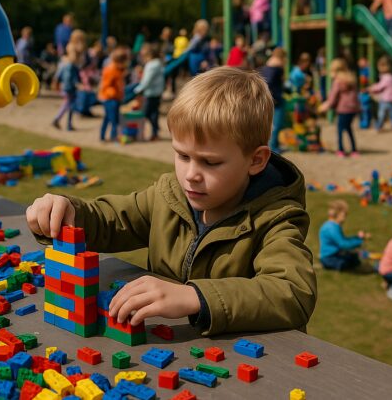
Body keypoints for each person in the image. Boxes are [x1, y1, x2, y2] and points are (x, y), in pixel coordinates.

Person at [25, 67, 316, 334]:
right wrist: (68, 211)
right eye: (183, 155)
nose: (191, 175)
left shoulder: (277, 218)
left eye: (210, 163)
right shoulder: (169, 194)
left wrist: (195, 296)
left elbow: (292, 292)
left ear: (256, 160)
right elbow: (114, 219)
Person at [318, 58, 361, 158]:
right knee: (349, 129)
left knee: (340, 130)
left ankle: (341, 150)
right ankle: (354, 150)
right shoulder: (351, 78)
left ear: (335, 71)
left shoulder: (338, 81)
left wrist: (325, 106)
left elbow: (332, 98)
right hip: (353, 109)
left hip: (343, 110)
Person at [318, 200, 369, 271]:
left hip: (335, 254)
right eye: (344, 215)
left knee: (353, 257)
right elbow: (343, 244)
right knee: (345, 263)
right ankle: (328, 265)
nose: (344, 219)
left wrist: (357, 238)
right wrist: (359, 241)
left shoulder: (333, 225)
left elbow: (343, 240)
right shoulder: (331, 228)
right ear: (337, 214)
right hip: (329, 257)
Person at [132, 43, 166, 141]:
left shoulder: (151, 65)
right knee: (154, 113)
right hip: (156, 93)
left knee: (144, 114)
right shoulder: (158, 63)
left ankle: (138, 134)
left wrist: (137, 90)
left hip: (150, 93)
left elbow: (147, 81)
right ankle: (155, 132)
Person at [98, 47, 129, 142]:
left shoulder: (118, 70)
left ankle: (103, 136)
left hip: (115, 97)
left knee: (108, 117)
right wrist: (114, 93)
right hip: (110, 98)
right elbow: (106, 85)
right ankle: (114, 137)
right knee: (114, 119)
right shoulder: (111, 70)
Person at [260, 48, 286, 153]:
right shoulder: (276, 68)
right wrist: (272, 95)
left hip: (271, 98)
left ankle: (273, 144)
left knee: (270, 123)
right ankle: (273, 146)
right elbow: (269, 82)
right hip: (276, 99)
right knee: (277, 123)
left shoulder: (267, 66)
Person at [52, 47, 81, 131]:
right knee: (69, 105)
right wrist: (76, 84)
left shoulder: (65, 64)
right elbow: (71, 78)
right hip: (69, 88)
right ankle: (63, 122)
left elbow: (59, 75)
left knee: (67, 104)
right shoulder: (71, 66)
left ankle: (61, 121)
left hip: (66, 87)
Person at [369, 56, 392, 131]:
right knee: (391, 113)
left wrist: (371, 88)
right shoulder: (389, 76)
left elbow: (381, 86)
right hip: (391, 98)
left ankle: (379, 126)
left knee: (382, 114)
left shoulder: (388, 77)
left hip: (387, 99)